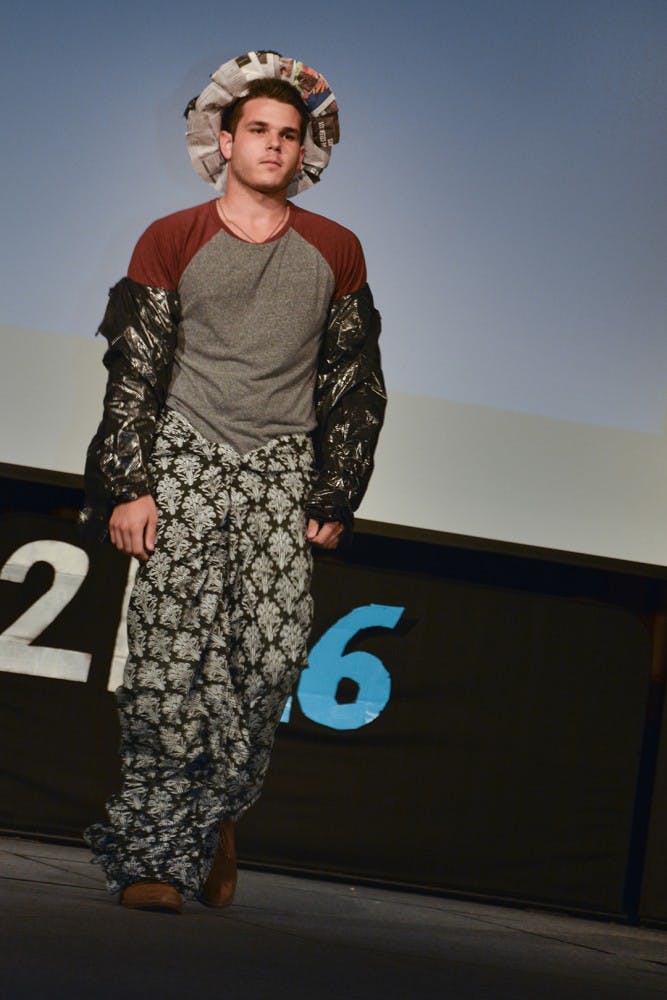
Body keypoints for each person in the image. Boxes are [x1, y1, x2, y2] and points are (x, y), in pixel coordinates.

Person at [81, 50, 386, 915]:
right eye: (258, 130)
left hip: (282, 464)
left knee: (271, 661)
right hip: (183, 453)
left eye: (288, 134)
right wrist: (129, 484)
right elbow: (134, 370)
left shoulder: (336, 249)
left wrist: (334, 491)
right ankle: (152, 859)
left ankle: (207, 815)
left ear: (304, 150)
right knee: (167, 666)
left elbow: (353, 380)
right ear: (224, 141)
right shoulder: (171, 236)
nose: (274, 145)